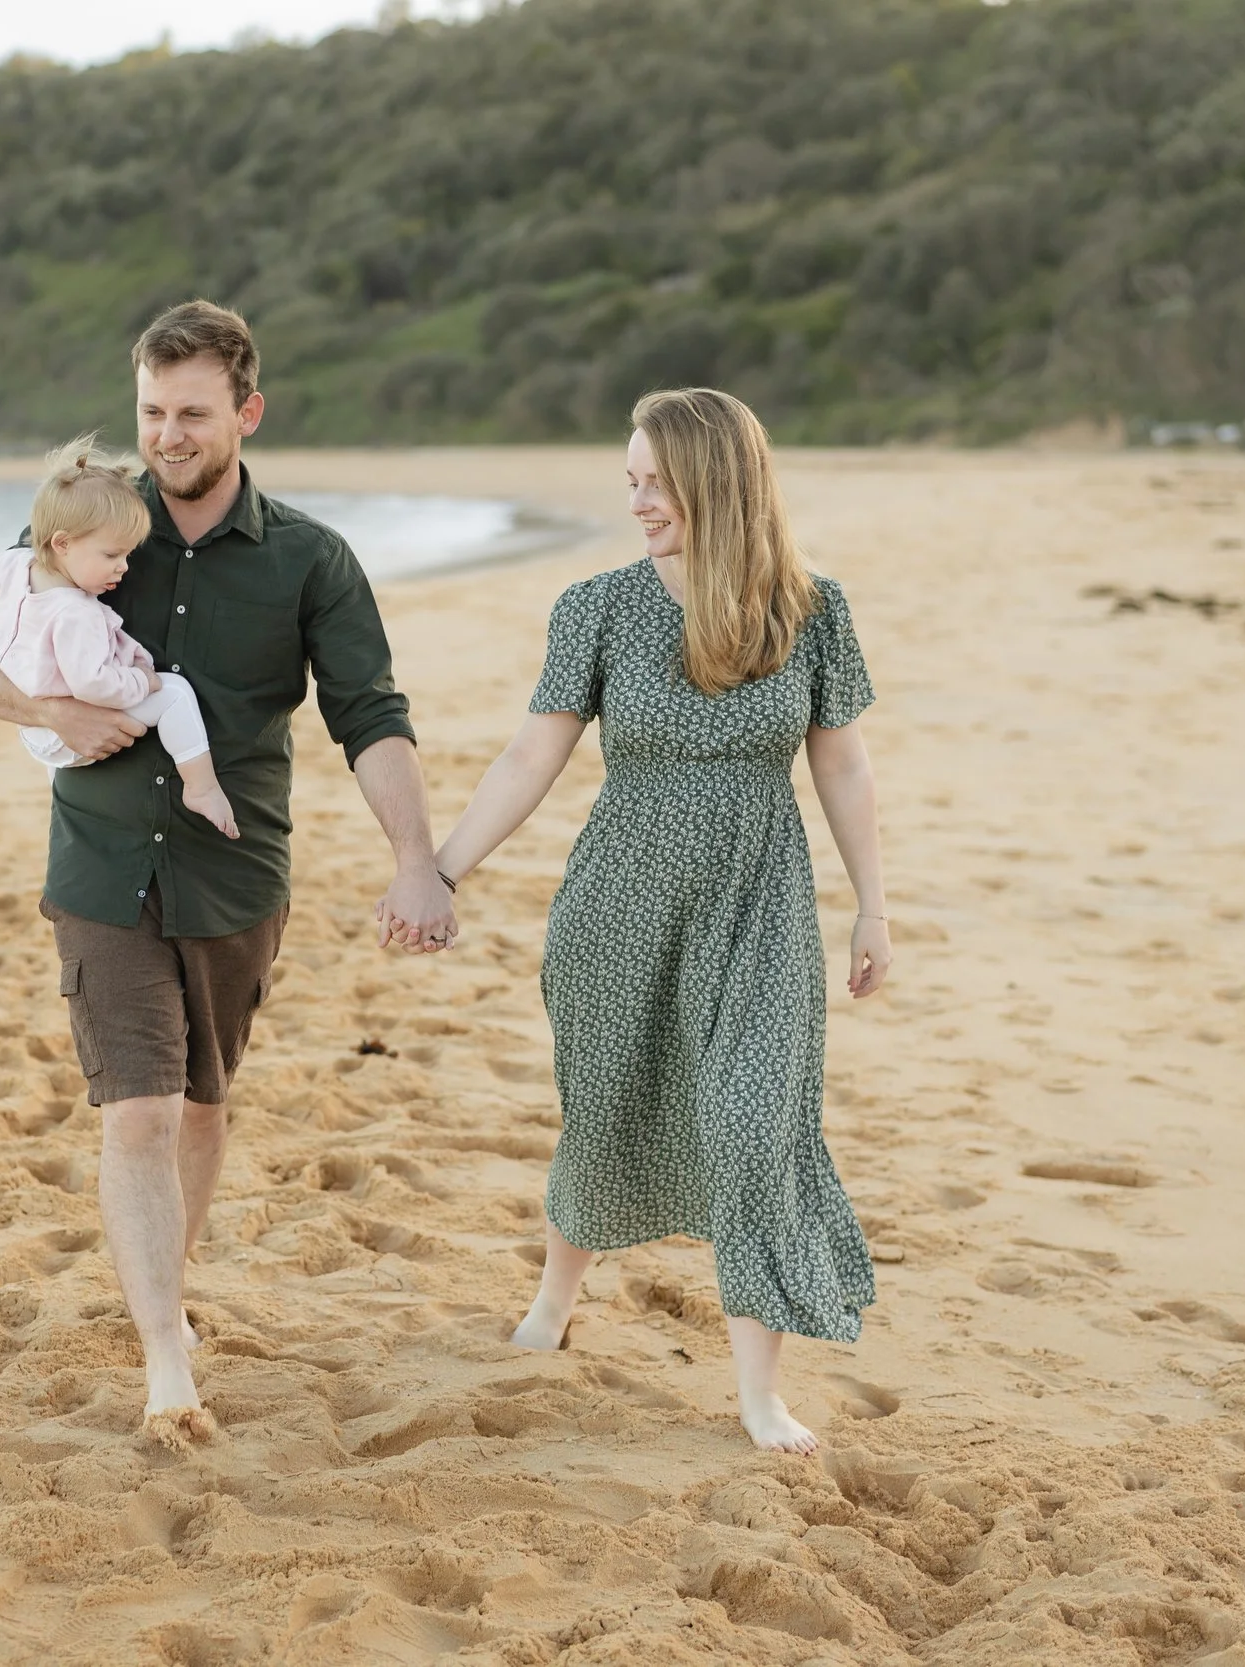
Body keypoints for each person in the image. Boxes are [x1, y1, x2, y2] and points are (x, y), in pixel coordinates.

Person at [0, 300, 455, 1444]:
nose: (165, 434)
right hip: (101, 863)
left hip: (235, 873)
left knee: (204, 1110)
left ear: (245, 413)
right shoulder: (89, 521)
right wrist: (49, 709)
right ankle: (165, 1348)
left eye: (190, 413)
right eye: (149, 411)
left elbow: (368, 713)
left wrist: (415, 860)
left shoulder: (311, 559)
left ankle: (160, 1291)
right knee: (138, 1108)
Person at [429, 387, 891, 1454]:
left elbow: (843, 763)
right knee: (607, 1105)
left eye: (653, 482)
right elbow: (530, 753)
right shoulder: (594, 606)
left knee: (750, 1128)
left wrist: (873, 905)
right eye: (627, 481)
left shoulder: (810, 610)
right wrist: (442, 869)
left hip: (758, 904)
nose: (635, 501)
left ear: (715, 481)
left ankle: (758, 1393)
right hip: (619, 899)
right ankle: (554, 1298)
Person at [0, 436, 238, 839]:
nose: (123, 568)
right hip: (67, 732)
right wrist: (145, 681)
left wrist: (10, 558)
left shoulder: (19, 567)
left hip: (34, 728)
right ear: (63, 543)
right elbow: (94, 684)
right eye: (111, 556)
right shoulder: (77, 613)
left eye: (127, 555)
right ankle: (202, 787)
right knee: (175, 693)